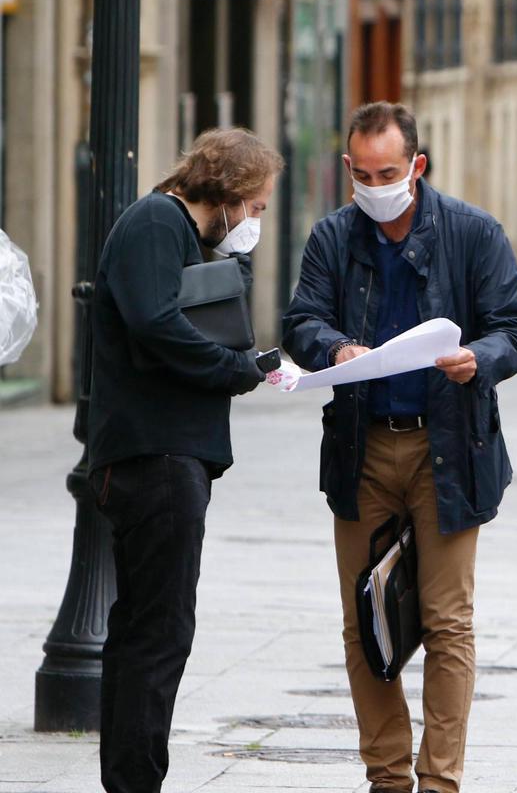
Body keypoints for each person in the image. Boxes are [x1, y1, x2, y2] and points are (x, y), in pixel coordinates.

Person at [281, 102, 517, 793]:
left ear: (417, 165)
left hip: (447, 447)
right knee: (365, 618)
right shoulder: (333, 238)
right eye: (361, 173)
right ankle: (387, 776)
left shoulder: (473, 232)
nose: (374, 184)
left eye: (387, 171)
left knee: (447, 621)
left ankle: (440, 780)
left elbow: (516, 326)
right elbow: (300, 319)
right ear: (347, 169)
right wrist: (336, 347)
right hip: (363, 449)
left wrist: (476, 359)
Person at [87, 127, 282, 793]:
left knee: (145, 629)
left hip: (163, 459)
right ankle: (136, 782)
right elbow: (156, 324)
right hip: (156, 462)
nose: (255, 221)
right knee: (159, 633)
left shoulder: (174, 230)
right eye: (255, 207)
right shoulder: (155, 224)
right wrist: (234, 369)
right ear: (227, 193)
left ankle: (129, 779)